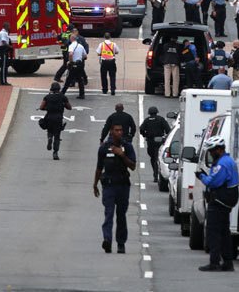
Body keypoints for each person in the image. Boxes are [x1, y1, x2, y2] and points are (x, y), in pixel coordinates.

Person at [196, 136, 239, 272]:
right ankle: (227, 262)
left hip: (220, 200)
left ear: (219, 150)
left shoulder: (222, 164)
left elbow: (212, 182)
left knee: (213, 231)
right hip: (226, 201)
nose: (210, 153)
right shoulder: (229, 161)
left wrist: (201, 176)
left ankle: (214, 262)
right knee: (224, 232)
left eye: (211, 151)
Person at [93, 123, 136, 254]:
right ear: (111, 131)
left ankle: (121, 243)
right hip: (109, 185)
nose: (119, 132)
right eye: (116, 130)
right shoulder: (104, 148)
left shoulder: (127, 147)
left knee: (121, 215)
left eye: (121, 130)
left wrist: (122, 155)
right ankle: (107, 240)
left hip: (123, 185)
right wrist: (95, 184)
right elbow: (99, 167)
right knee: (109, 213)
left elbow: (133, 166)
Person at [39, 82, 72, 160]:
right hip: (58, 118)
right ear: (59, 89)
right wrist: (64, 105)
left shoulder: (47, 97)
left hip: (49, 117)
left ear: (52, 89)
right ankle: (55, 153)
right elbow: (69, 107)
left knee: (49, 131)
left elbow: (41, 107)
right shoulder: (63, 97)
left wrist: (46, 108)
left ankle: (50, 138)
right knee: (57, 136)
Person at [139, 107, 171, 183]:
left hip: (150, 141)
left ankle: (155, 174)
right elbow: (168, 130)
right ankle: (156, 174)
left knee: (153, 157)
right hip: (159, 141)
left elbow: (141, 129)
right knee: (157, 158)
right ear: (157, 112)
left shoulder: (147, 120)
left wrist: (145, 135)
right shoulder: (161, 119)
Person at [61, 34, 86, 99]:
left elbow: (71, 53)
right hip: (79, 64)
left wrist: (69, 61)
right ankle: (82, 94)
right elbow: (85, 56)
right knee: (80, 79)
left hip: (73, 64)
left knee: (68, 79)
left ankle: (62, 93)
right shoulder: (81, 46)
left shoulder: (71, 46)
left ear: (71, 39)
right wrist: (80, 57)